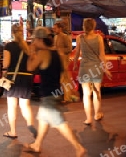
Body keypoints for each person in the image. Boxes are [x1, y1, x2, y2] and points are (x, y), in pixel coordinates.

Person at [26, 27, 86, 156]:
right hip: (55, 92)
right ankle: (37, 145)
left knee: (60, 123)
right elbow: (65, 73)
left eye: (34, 39)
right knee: (43, 121)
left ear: (39, 39)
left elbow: (30, 67)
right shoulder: (57, 53)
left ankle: (78, 147)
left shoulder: (43, 53)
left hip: (48, 95)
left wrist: (31, 52)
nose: (33, 41)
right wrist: (71, 89)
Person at [73, 18, 112, 125]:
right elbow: (102, 56)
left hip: (84, 68)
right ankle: (97, 114)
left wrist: (75, 65)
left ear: (84, 26)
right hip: (96, 68)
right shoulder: (98, 38)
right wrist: (106, 69)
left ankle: (88, 118)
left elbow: (77, 54)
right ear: (94, 26)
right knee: (96, 92)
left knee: (86, 94)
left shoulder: (79, 38)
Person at [2, 23, 36, 139]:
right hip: (26, 77)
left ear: (12, 33)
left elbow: (6, 64)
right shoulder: (27, 46)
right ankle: (31, 125)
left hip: (13, 77)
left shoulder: (9, 46)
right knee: (25, 106)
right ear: (22, 32)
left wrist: (3, 73)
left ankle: (13, 131)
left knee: (12, 106)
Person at [53, 21, 74, 103]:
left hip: (64, 62)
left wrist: (60, 51)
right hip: (57, 62)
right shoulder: (55, 37)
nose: (54, 30)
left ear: (60, 29)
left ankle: (67, 97)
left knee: (64, 80)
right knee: (60, 80)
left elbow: (69, 49)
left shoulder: (65, 37)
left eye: (55, 28)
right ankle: (62, 96)